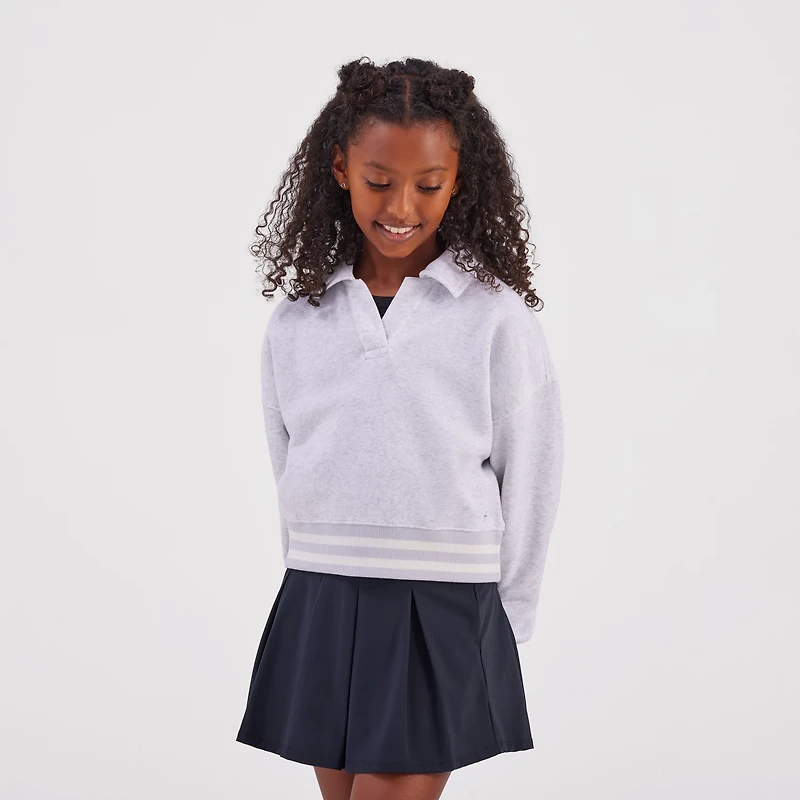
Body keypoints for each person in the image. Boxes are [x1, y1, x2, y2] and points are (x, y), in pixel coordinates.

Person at [235, 56, 565, 800]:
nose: (402, 206)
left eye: (429, 184)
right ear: (341, 169)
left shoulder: (494, 316)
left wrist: (509, 615)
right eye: (379, 181)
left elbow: (533, 469)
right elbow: (289, 460)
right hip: (323, 593)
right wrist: (305, 579)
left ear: (460, 180)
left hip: (443, 604)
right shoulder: (298, 318)